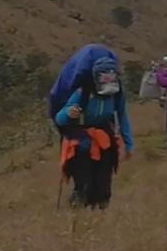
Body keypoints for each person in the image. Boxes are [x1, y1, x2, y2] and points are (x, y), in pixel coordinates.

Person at [51, 48, 134, 209]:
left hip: (105, 142)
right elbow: (59, 119)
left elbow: (122, 116)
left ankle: (99, 218)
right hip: (81, 142)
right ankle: (77, 215)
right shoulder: (82, 93)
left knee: (103, 187)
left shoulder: (116, 93)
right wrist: (69, 113)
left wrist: (129, 145)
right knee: (84, 185)